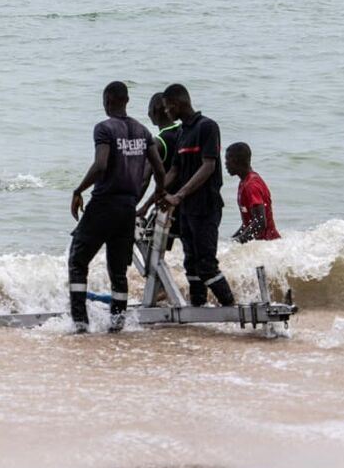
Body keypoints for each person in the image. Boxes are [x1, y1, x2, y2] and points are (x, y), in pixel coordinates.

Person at [69, 81, 164, 333]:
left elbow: (101, 165)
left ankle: (80, 323)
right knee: (118, 271)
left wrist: (79, 189)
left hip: (104, 203)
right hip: (127, 208)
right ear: (127, 100)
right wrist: (160, 195)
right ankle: (117, 325)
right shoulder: (144, 132)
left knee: (78, 260)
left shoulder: (104, 128)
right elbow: (159, 170)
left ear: (108, 100)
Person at [146, 83, 236, 307]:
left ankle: (230, 307)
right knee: (191, 263)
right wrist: (154, 197)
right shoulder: (183, 133)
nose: (167, 112)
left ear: (177, 104)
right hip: (186, 209)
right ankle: (198, 308)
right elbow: (174, 171)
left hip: (206, 207)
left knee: (206, 264)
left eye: (168, 107)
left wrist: (180, 195)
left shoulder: (207, 127)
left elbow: (208, 166)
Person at [145, 91, 182, 250]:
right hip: (187, 202)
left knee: (152, 248)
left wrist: (141, 206)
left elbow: (144, 179)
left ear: (154, 111)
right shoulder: (184, 130)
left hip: (168, 205)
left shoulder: (158, 142)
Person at [225, 142, 280, 243]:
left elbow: (260, 222)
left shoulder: (251, 185)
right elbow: (248, 223)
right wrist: (231, 241)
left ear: (235, 161)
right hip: (263, 244)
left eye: (227, 160)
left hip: (268, 244)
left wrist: (239, 242)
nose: (225, 164)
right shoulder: (244, 182)